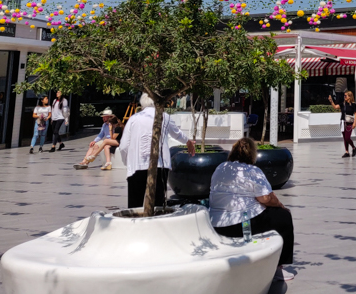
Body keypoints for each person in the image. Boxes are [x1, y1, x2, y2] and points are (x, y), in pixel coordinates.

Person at [209, 137, 296, 280]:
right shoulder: (252, 171)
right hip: (241, 225)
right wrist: (281, 205)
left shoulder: (221, 168)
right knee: (284, 217)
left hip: (217, 223)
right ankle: (278, 268)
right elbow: (266, 199)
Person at [119, 93, 195, 209]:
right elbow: (177, 133)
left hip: (136, 166)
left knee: (135, 205)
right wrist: (188, 142)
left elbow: (123, 146)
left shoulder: (134, 119)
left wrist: (127, 162)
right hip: (160, 165)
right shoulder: (164, 116)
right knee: (158, 204)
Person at [328, 90, 356, 158]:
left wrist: (355, 123)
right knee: (344, 138)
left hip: (349, 123)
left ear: (349, 96)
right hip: (343, 122)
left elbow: (355, 114)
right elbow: (335, 107)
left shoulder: (353, 104)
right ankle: (347, 152)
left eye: (345, 96)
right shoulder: (343, 104)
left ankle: (354, 147)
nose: (344, 97)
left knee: (347, 137)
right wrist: (331, 101)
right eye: (344, 96)